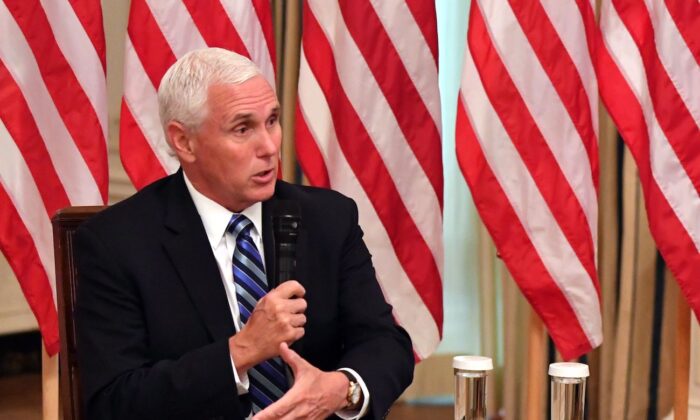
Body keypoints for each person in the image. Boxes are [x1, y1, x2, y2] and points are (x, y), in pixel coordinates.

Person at [74, 47, 414, 420]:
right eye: (242, 128)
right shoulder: (117, 243)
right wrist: (240, 351)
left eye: (272, 121)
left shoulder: (328, 218)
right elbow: (114, 401)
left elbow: (385, 343)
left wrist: (340, 389)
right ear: (183, 141)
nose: (269, 147)